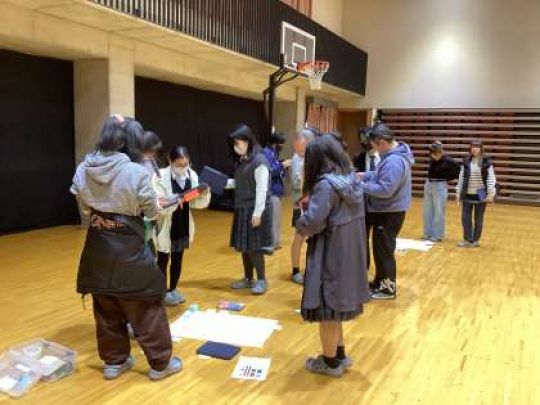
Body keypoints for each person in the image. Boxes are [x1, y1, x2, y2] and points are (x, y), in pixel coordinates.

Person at [71, 115, 181, 381]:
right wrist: (161, 204)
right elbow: (152, 212)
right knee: (146, 306)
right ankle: (160, 365)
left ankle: (114, 362)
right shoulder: (135, 172)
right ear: (132, 141)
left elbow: (84, 206)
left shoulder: (84, 167)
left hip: (97, 245)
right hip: (128, 248)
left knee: (105, 304)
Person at [296, 135, 370, 378]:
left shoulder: (326, 185)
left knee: (327, 309)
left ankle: (329, 363)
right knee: (335, 307)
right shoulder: (352, 180)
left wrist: (301, 221)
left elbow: (314, 221)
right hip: (349, 253)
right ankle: (338, 354)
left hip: (330, 253)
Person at [359, 121, 414, 300]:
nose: (375, 150)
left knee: (384, 251)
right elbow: (379, 175)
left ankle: (388, 288)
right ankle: (380, 281)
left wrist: (361, 185)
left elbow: (385, 189)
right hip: (388, 211)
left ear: (382, 143)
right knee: (380, 249)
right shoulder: (393, 157)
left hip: (389, 212)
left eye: (375, 146)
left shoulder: (394, 161)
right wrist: (365, 175)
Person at [154, 146, 211, 305]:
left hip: (183, 221)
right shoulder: (159, 176)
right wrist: (175, 199)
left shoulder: (192, 175)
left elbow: (195, 203)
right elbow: (158, 204)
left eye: (185, 164)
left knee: (178, 259)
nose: (182, 168)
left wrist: (203, 192)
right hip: (166, 222)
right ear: (170, 161)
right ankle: (160, 292)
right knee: (162, 260)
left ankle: (173, 289)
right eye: (178, 165)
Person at [227, 124, 273, 295]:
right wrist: (221, 183)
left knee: (254, 247)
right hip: (242, 207)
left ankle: (262, 279)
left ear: (248, 141)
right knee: (244, 246)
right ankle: (248, 278)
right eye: (234, 144)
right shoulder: (243, 160)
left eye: (238, 143)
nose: (235, 147)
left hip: (255, 209)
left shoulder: (260, 161)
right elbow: (240, 182)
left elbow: (262, 189)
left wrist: (257, 213)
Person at [290, 126, 319, 285]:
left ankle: (314, 270)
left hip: (315, 203)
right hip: (301, 204)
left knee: (315, 238)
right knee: (299, 237)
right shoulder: (297, 159)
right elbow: (296, 183)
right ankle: (295, 270)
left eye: (301, 149)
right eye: (297, 149)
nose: (299, 152)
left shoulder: (316, 157)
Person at [455, 139, 497, 248]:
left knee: (478, 218)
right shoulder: (466, 162)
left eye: (477, 147)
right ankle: (467, 239)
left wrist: (490, 194)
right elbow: (461, 178)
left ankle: (475, 240)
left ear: (481, 149)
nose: (474, 148)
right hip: (467, 193)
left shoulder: (486, 162)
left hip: (481, 193)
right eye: (473, 146)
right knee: (465, 218)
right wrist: (458, 193)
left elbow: (491, 179)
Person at [422, 141, 460, 242]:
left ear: (440, 152)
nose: (434, 156)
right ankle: (427, 233)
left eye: (436, 154)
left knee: (438, 212)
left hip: (439, 185)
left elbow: (458, 171)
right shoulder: (432, 159)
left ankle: (437, 235)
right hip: (429, 184)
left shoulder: (448, 160)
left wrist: (447, 178)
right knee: (427, 211)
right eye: (432, 154)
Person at [262, 132, 291, 250]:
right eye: (281, 143)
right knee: (272, 219)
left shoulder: (274, 154)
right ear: (274, 143)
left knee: (276, 219)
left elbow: (277, 171)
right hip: (271, 191)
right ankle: (270, 244)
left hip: (277, 191)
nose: (282, 146)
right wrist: (282, 166)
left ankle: (275, 242)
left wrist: (283, 168)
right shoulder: (265, 154)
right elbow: (268, 171)